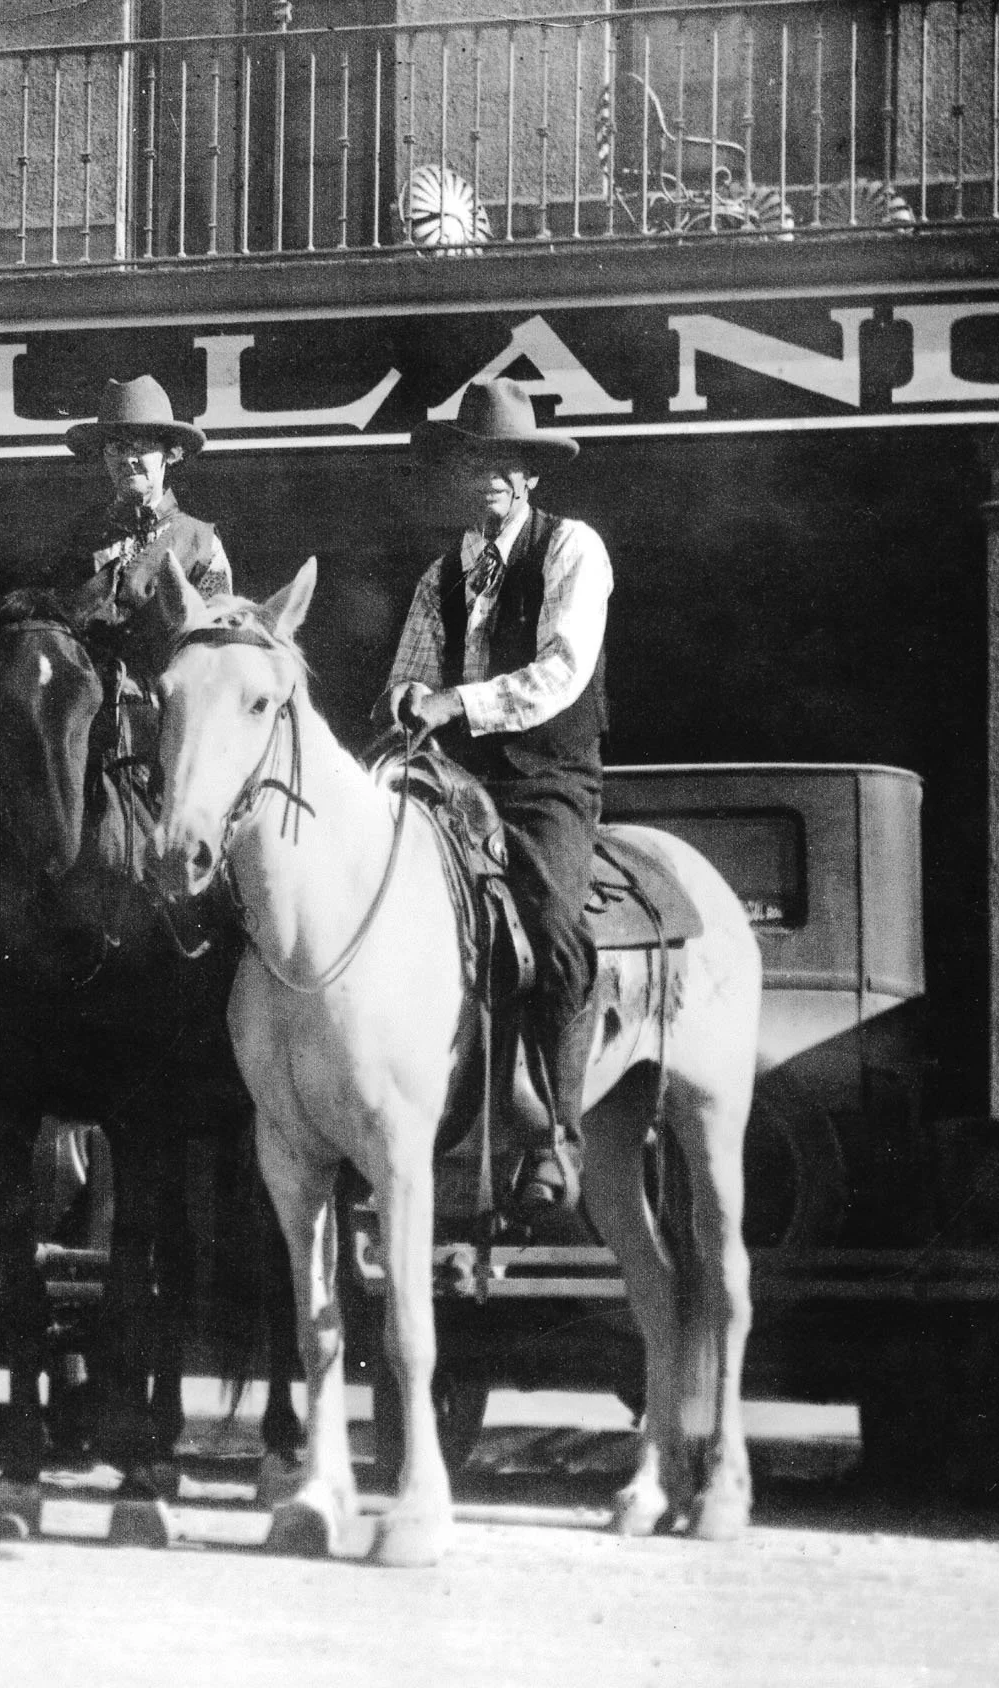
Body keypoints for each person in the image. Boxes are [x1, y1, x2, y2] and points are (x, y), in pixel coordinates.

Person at [381, 377, 612, 1216]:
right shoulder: (440, 573)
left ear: (531, 475)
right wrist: (408, 698)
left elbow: (560, 672)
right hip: (455, 778)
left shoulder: (572, 550)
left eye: (504, 462)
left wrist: (453, 702)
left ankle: (557, 1134)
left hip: (544, 776)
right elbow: (410, 670)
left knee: (551, 926)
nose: (487, 477)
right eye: (476, 461)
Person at [54, 374, 232, 607]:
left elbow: (214, 632)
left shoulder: (202, 543)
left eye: (141, 446)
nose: (128, 459)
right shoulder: (80, 537)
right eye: (116, 448)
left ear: (170, 454)